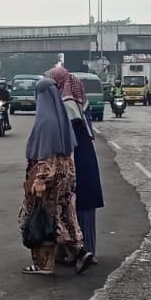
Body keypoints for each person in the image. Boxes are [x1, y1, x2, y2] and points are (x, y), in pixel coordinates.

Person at [18, 77, 84, 276]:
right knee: (61, 215)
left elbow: (46, 154)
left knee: (39, 218)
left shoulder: (46, 121)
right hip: (65, 174)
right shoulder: (59, 116)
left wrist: (39, 180)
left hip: (48, 177)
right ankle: (77, 250)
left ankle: (43, 264)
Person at [47, 66, 103, 273]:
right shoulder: (77, 102)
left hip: (75, 160)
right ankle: (87, 250)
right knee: (83, 207)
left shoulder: (68, 106)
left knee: (74, 205)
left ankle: (78, 251)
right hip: (85, 158)